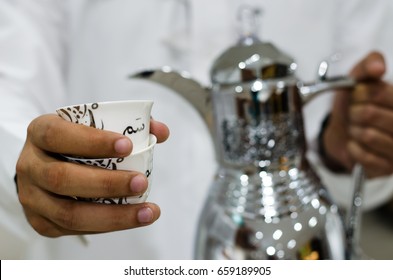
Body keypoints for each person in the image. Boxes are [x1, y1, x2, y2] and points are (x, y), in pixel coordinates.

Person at [1, 0, 393, 259]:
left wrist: (352, 150)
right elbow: (10, 86)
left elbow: (365, 102)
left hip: (293, 242)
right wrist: (29, 166)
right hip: (108, 253)